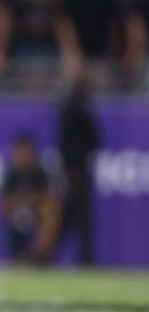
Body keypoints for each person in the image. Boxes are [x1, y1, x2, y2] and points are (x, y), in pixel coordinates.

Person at [54, 74, 100, 265]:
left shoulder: (69, 108)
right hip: (77, 168)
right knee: (80, 215)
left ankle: (49, 251)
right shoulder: (77, 108)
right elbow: (91, 138)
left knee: (71, 215)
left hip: (74, 167)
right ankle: (84, 256)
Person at [0, 133, 59, 263]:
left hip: (36, 212)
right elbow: (4, 200)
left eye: (26, 151)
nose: (23, 155)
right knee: (13, 214)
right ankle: (18, 256)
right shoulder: (11, 173)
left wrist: (31, 203)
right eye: (20, 151)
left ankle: (39, 254)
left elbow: (48, 197)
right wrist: (20, 204)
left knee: (49, 213)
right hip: (16, 212)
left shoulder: (39, 172)